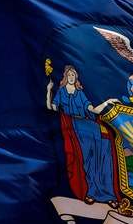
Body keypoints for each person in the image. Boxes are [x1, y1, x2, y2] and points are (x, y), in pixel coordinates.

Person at [47, 64, 116, 204]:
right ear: (65, 77)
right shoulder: (61, 93)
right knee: (87, 161)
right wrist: (49, 91)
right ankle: (90, 193)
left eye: (73, 75)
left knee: (102, 159)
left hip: (90, 126)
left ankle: (108, 195)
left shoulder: (80, 93)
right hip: (75, 127)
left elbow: (92, 109)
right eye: (69, 75)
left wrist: (107, 103)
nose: (72, 78)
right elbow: (51, 108)